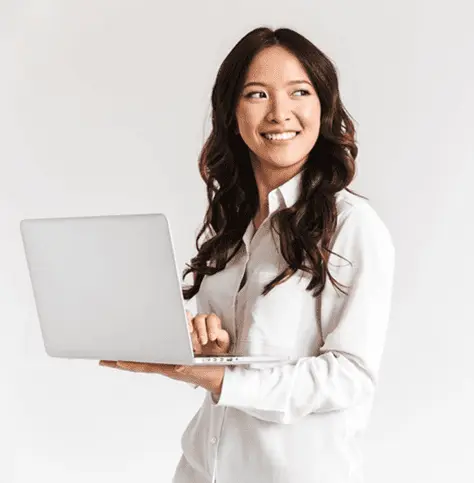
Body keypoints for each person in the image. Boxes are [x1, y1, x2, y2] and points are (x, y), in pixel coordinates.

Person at [99, 26, 396, 483]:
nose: (281, 113)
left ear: (323, 107)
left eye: (300, 92)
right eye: (257, 94)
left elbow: (349, 377)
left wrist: (219, 379)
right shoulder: (232, 227)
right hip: (204, 470)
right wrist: (214, 352)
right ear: (232, 112)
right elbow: (252, 358)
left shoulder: (353, 227)